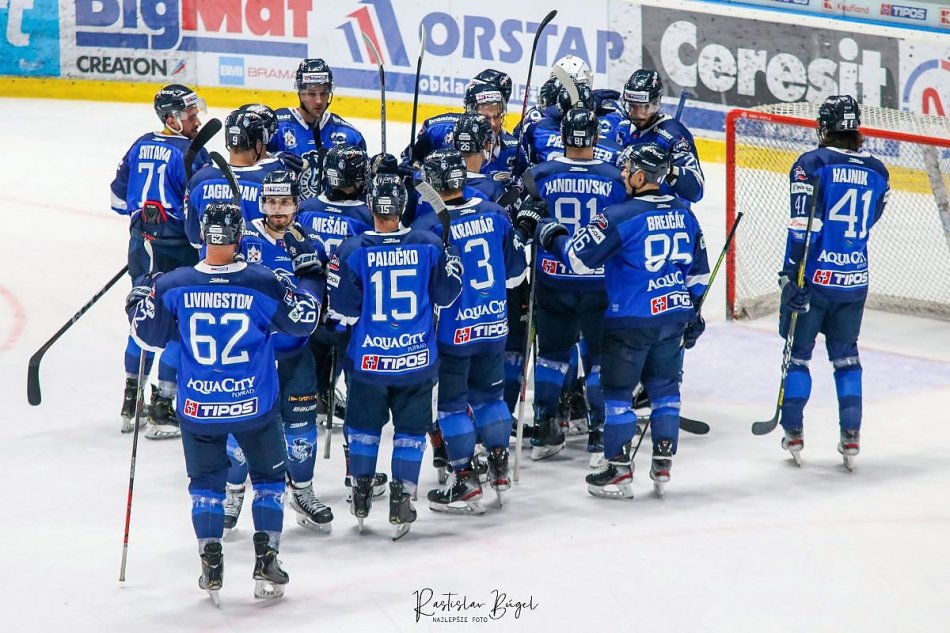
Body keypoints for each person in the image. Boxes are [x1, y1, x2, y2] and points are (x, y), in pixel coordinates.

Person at [127, 199, 324, 601]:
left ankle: (211, 561)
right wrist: (309, 275)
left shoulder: (174, 284)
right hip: (254, 406)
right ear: (239, 237)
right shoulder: (261, 281)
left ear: (202, 235)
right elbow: (303, 321)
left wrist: (138, 295)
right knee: (268, 481)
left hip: (199, 409)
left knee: (205, 486)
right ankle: (267, 558)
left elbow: (148, 336)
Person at [539, 143, 709, 498]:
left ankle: (618, 469)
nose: (623, 173)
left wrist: (551, 233)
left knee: (617, 394)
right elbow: (698, 274)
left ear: (642, 176)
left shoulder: (619, 215)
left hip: (631, 318)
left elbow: (578, 260)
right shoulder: (684, 213)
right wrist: (695, 311)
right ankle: (662, 462)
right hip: (673, 315)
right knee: (665, 389)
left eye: (629, 169)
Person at [326, 175, 463, 539]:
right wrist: (452, 260)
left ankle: (361, 493)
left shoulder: (351, 249)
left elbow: (344, 310)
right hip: (416, 361)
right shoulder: (429, 244)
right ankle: (402, 500)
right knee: (410, 433)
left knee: (364, 429)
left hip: (368, 363)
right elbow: (447, 296)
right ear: (403, 206)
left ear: (370, 206)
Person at [776, 95, 889, 469]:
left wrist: (791, 274)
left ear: (824, 127)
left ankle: (793, 430)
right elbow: (871, 218)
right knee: (847, 358)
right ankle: (851, 434)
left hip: (814, 279)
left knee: (798, 355)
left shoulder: (812, 164)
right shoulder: (879, 171)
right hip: (854, 278)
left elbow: (802, 226)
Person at [412, 148, 527, 512]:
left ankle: (464, 479)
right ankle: (499, 467)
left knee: (452, 405)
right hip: (494, 324)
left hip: (453, 331)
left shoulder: (428, 226)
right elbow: (515, 275)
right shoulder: (495, 213)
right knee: (490, 398)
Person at [222, 170, 334, 536]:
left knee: (300, 427)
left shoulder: (311, 243)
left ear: (297, 204)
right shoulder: (242, 238)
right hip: (250, 355)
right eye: (271, 201)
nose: (277, 209)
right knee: (242, 424)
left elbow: (322, 298)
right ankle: (232, 493)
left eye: (285, 202)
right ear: (262, 203)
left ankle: (302, 491)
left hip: (294, 353)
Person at [516, 107, 627, 462]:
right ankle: (599, 436)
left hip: (552, 281)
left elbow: (523, 223)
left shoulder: (539, 175)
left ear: (562, 136)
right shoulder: (615, 178)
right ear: (597, 138)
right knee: (599, 359)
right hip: (599, 284)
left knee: (551, 356)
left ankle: (545, 430)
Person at [110, 83, 208, 438]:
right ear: (171, 119)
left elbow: (117, 200)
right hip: (179, 248)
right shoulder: (192, 153)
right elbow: (202, 211)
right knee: (181, 323)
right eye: (190, 115)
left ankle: (131, 402)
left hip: (142, 245)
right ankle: (163, 407)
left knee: (144, 316)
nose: (197, 120)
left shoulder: (140, 144)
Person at [184, 108, 285, 247]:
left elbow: (194, 238)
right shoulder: (267, 183)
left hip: (210, 257)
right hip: (255, 258)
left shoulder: (200, 179)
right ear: (258, 143)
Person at [270, 58, 367, 196]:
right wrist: (271, 159)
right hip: (284, 208)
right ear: (300, 93)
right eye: (312, 94)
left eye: (323, 93)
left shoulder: (349, 135)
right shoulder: (276, 127)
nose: (319, 101)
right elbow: (249, 167)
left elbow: (362, 182)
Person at [401, 69, 517, 178]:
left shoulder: (513, 148)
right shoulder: (438, 129)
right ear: (470, 111)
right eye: (485, 117)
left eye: (497, 115)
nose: (493, 124)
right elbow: (410, 161)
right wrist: (416, 174)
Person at [616, 70, 704, 205]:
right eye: (632, 106)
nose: (637, 113)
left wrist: (668, 170)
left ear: (656, 104)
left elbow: (697, 190)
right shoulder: (623, 128)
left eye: (645, 107)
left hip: (666, 211)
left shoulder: (674, 135)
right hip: (632, 209)